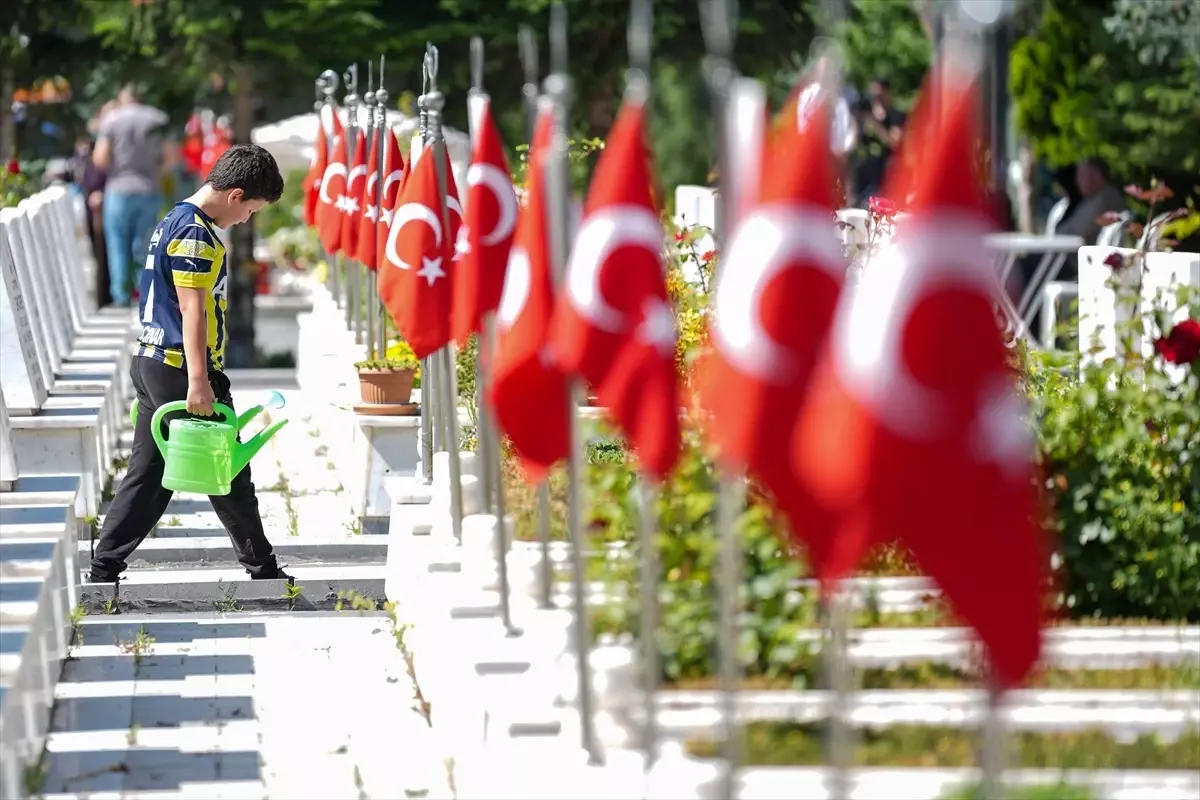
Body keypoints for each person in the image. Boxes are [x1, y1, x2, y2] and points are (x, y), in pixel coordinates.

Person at [88, 144, 290, 584]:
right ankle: (264, 571)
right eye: (250, 210)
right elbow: (191, 308)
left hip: (152, 359)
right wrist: (199, 381)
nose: (246, 219)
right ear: (235, 195)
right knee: (227, 468)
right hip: (180, 367)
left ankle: (103, 567)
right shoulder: (196, 233)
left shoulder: (174, 218)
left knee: (150, 474)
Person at [92, 84, 175, 307]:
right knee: (145, 243)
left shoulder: (111, 119)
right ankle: (143, 292)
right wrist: (154, 170)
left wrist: (116, 169)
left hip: (118, 188)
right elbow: (170, 156)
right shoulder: (157, 119)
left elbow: (100, 157)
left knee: (118, 243)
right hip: (149, 188)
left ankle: (121, 296)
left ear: (122, 97)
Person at [853, 77, 906, 204]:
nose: (876, 97)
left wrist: (875, 125)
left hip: (884, 172)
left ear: (887, 92)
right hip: (863, 170)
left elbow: (894, 142)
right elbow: (853, 141)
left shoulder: (896, 115)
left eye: (880, 93)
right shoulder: (864, 113)